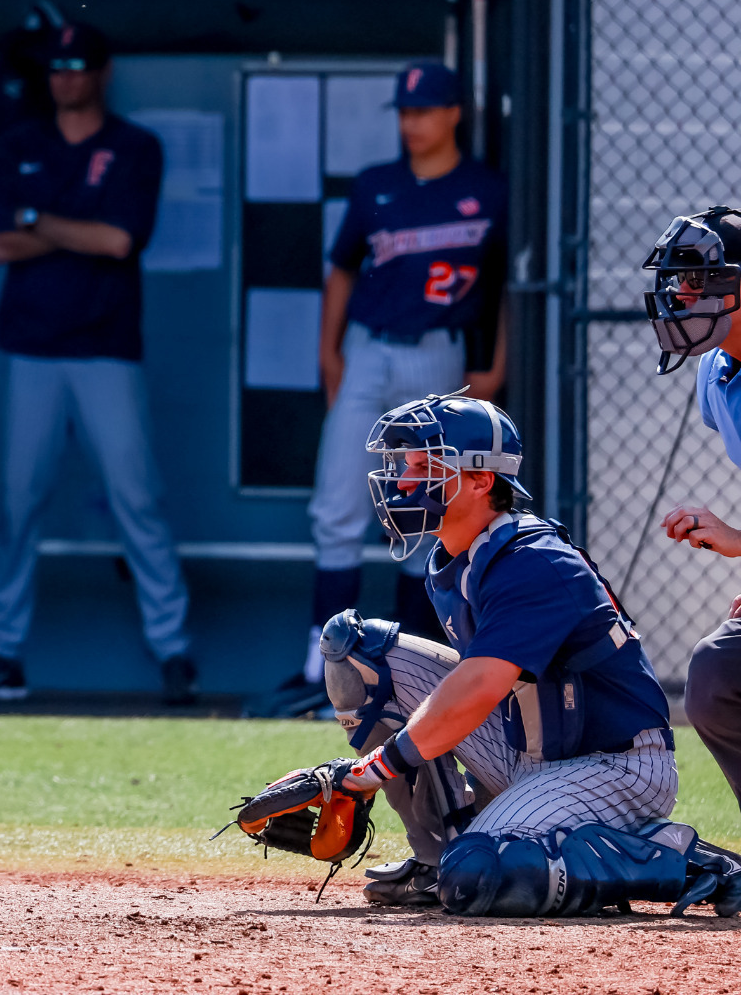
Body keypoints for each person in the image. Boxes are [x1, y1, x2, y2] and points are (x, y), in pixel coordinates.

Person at [317, 392, 741, 917]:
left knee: (479, 873)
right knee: (358, 652)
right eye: (405, 465)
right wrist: (369, 770)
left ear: (481, 479)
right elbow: (474, 695)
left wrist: (372, 769)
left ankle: (688, 861)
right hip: (532, 753)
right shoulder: (453, 557)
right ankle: (433, 858)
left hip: (614, 765)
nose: (405, 481)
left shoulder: (532, 559)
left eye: (426, 465)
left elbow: (476, 691)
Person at [251, 61, 508, 719]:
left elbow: (509, 285)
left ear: (454, 113)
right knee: (337, 501)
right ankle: (320, 658)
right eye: (405, 111)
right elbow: (340, 270)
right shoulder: (377, 185)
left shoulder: (487, 188)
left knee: (425, 513)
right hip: (371, 348)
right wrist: (328, 351)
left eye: (423, 110)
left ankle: (411, 657)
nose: (412, 122)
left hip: (440, 356)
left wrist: (498, 363)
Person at [0, 20, 195, 706]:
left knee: (137, 499)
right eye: (56, 67)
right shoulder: (17, 143)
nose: (66, 77)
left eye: (78, 66)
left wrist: (40, 221)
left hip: (106, 348)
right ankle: (4, 652)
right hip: (31, 347)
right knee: (18, 505)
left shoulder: (133, 146)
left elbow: (119, 239)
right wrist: (64, 229)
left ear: (101, 71)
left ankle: (174, 649)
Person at [638, 207, 741, 819]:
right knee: (717, 677)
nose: (682, 295)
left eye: (701, 280)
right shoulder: (715, 372)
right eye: (679, 281)